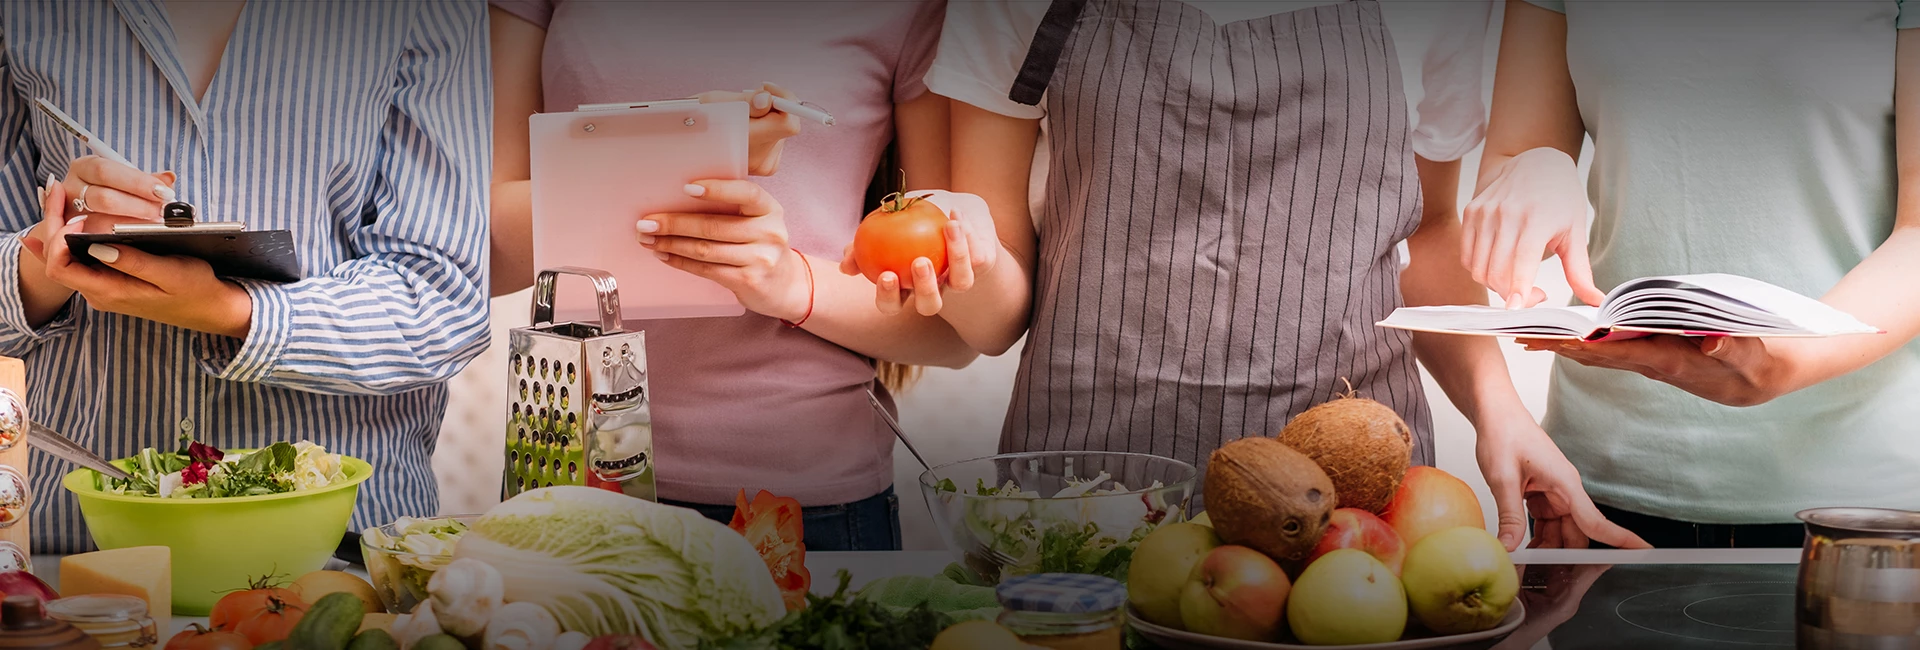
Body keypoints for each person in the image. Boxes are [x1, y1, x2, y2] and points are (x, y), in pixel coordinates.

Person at [881, 0, 1645, 550]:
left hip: (1350, 507)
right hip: (1091, 489)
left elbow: (1431, 234)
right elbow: (993, 320)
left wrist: (1498, 409)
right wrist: (957, 258)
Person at [489, 0, 984, 550]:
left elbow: (952, 328)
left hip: (805, 503)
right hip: (572, 473)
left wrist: (789, 282)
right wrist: (685, 152)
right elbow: (481, 256)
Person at [0, 1, 491, 552]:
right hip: (69, 544)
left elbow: (444, 299)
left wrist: (231, 310)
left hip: (341, 549)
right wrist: (56, 254)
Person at [1464, 0, 1920, 547]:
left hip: (1860, 506)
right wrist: (1541, 166)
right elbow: (1509, 163)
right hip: (1598, 487)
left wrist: (1778, 368)